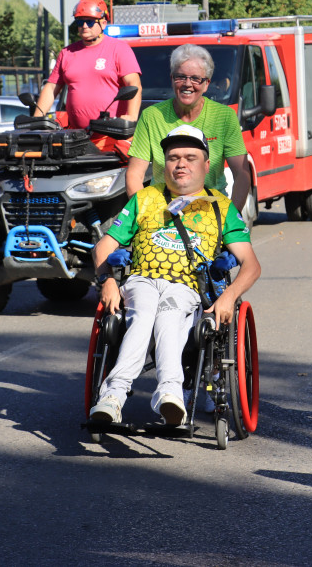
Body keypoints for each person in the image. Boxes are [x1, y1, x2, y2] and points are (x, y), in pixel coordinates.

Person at [87, 125, 261, 425]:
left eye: (190, 157)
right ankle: (113, 396)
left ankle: (169, 392)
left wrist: (229, 297)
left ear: (206, 166)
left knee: (168, 315)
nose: (180, 164)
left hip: (187, 286)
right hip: (142, 280)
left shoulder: (221, 207)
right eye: (173, 157)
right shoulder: (144, 199)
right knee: (142, 314)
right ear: (163, 164)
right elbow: (103, 246)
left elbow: (251, 265)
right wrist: (109, 280)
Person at [125, 44, 251, 211]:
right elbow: (134, 174)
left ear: (206, 84)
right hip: (163, 212)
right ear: (171, 79)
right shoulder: (152, 116)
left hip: (211, 213)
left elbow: (242, 173)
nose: (187, 84)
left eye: (195, 78)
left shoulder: (224, 117)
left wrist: (231, 220)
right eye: (180, 77)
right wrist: (144, 215)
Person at [34, 0, 142, 131]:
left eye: (90, 22)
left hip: (111, 135)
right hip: (75, 136)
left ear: (103, 23)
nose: (84, 26)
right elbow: (50, 88)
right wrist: (37, 120)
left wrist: (131, 117)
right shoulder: (67, 53)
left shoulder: (119, 49)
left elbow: (134, 84)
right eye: (80, 22)